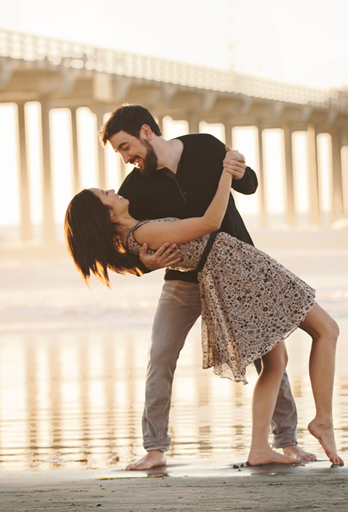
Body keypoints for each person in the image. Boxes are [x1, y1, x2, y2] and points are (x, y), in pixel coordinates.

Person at [64, 162, 343, 467]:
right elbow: (211, 221)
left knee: (277, 362)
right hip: (238, 272)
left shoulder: (138, 231)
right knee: (317, 336)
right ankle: (307, 427)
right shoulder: (143, 231)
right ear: (105, 214)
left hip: (238, 268)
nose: (114, 191)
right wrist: (225, 171)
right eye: (106, 194)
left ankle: (267, 445)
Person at [95, 104, 315, 470]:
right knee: (161, 356)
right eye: (119, 151)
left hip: (238, 273)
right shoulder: (134, 187)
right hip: (184, 280)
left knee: (269, 354)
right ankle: (154, 448)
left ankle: (287, 441)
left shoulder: (204, 147)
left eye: (124, 146)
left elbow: (249, 184)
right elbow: (121, 241)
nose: (124, 157)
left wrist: (241, 172)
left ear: (146, 132)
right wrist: (142, 266)